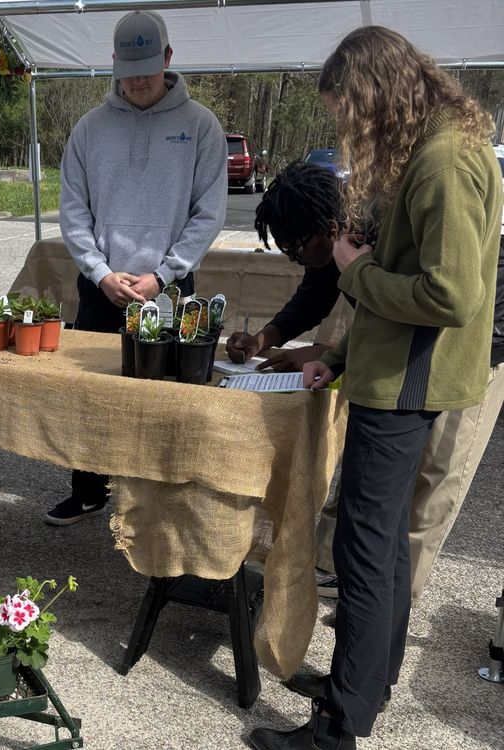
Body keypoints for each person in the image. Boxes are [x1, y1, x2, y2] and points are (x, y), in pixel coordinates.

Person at [248, 27, 502, 750]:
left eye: (345, 113)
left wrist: (354, 269)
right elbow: (391, 280)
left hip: (409, 386)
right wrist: (344, 353)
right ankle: (365, 687)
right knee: (383, 551)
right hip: (392, 372)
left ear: (377, 94)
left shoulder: (445, 161)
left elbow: (449, 295)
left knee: (363, 552)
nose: (345, 129)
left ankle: (337, 730)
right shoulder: (434, 148)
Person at [228, 160, 504, 606]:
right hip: (400, 346)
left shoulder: (394, 216)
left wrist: (331, 352)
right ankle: (335, 572)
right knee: (370, 473)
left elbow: (431, 301)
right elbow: (322, 294)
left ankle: (393, 603)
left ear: (330, 226)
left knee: (435, 476)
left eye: (298, 249)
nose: (298, 260)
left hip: (473, 349)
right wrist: (269, 339)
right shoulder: (338, 235)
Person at [48, 9, 227, 525]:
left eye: (148, 67)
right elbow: (73, 211)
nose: (139, 80)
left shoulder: (200, 126)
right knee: (94, 393)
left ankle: (160, 500)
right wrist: (100, 272)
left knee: (165, 396)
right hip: (102, 286)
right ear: (113, 65)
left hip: (167, 288)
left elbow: (207, 213)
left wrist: (165, 273)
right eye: (128, 70)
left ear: (168, 59)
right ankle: (88, 490)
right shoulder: (89, 128)